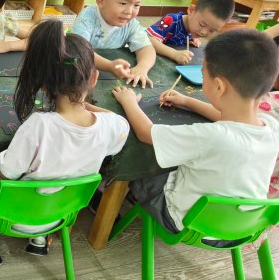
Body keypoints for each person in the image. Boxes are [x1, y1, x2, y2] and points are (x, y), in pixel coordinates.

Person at [0, 20, 129, 269]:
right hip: (60, 213)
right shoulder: (110, 125)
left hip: (13, 215)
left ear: (44, 84)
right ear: (94, 78)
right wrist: (85, 106)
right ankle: (40, 237)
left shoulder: (38, 125)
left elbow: (7, 174)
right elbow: (119, 122)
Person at [112, 29, 279, 240]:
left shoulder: (211, 136)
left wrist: (128, 102)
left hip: (190, 225)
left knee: (143, 168)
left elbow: (146, 133)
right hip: (241, 229)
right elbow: (224, 117)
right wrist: (187, 101)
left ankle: (109, 218)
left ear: (218, 86)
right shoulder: (272, 127)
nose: (203, 77)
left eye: (203, 74)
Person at [71, 0, 156, 88]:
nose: (129, 11)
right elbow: (80, 51)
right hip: (81, 74)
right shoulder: (86, 19)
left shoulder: (130, 24)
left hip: (110, 79)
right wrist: (110, 66)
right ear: (101, 0)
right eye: (123, 3)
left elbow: (146, 48)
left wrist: (142, 68)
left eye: (136, 5)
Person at [146, 0, 235, 64]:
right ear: (191, 10)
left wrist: (192, 39)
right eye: (202, 25)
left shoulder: (192, 29)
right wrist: (174, 54)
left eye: (212, 30)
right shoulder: (171, 20)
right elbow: (148, 39)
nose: (204, 32)